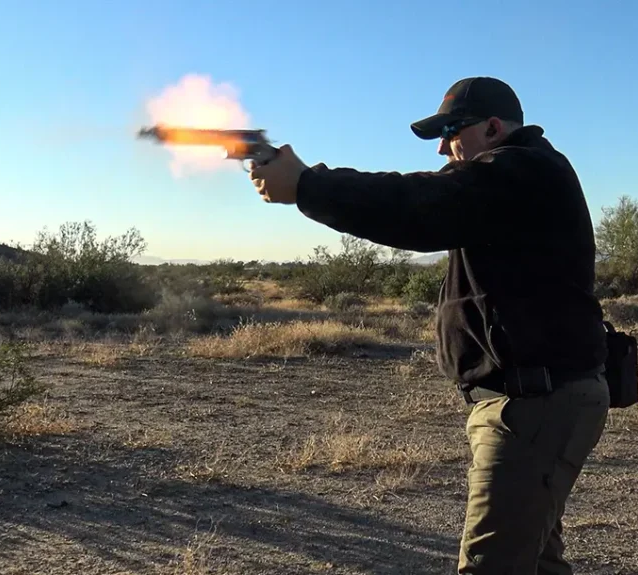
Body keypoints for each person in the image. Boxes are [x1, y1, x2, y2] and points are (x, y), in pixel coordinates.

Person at [248, 76, 611, 575]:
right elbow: (428, 196)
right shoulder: (513, 178)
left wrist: (309, 185)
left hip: (535, 405)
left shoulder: (522, 170)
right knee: (534, 561)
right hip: (530, 402)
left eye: (450, 132)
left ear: (492, 127)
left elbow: (418, 205)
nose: (442, 147)